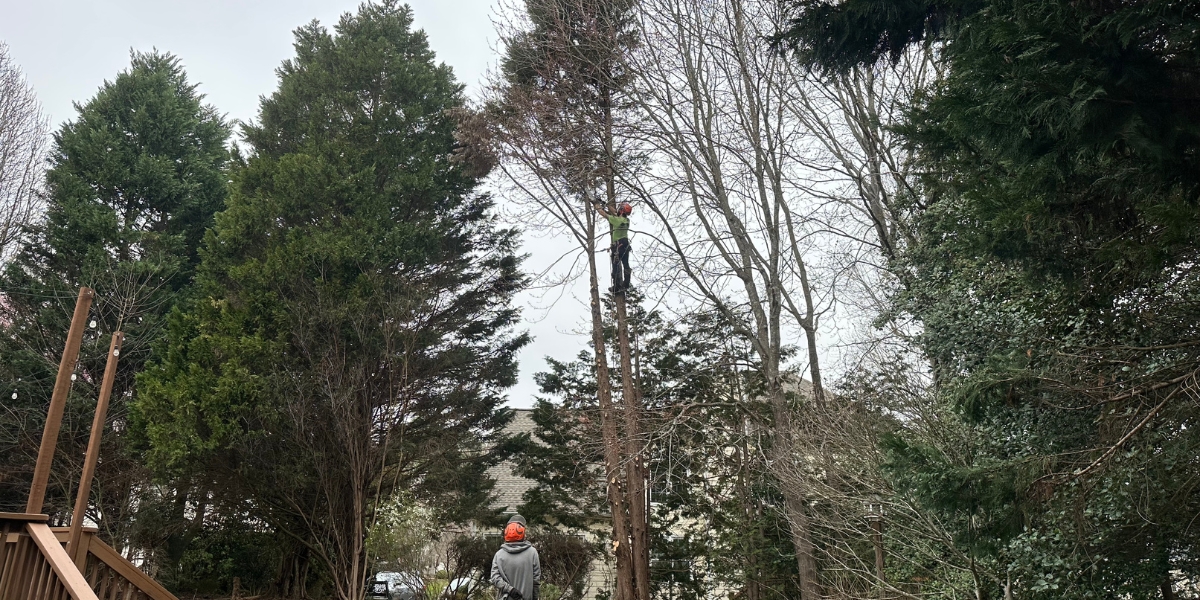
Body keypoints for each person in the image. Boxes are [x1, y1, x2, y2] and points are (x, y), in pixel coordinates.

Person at [490, 515, 541, 600]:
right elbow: (535, 581)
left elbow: (495, 578)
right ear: (523, 534)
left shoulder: (499, 555)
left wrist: (510, 590)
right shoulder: (532, 553)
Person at [594, 201, 633, 293]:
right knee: (626, 264)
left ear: (622, 211)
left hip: (618, 245)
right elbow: (615, 212)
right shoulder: (626, 220)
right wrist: (606, 204)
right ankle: (626, 284)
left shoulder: (616, 220)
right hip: (625, 244)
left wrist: (597, 205)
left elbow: (603, 213)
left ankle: (616, 287)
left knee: (615, 266)